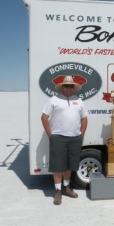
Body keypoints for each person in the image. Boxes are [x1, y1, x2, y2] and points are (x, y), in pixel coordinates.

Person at [41, 75, 88, 205]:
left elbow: (84, 118)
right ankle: (57, 191)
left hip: (74, 138)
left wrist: (81, 134)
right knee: (58, 166)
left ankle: (67, 188)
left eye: (71, 86)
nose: (68, 88)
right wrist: (50, 135)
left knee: (70, 165)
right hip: (58, 138)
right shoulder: (53, 100)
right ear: (62, 87)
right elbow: (44, 117)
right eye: (66, 86)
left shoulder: (78, 100)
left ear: (73, 88)